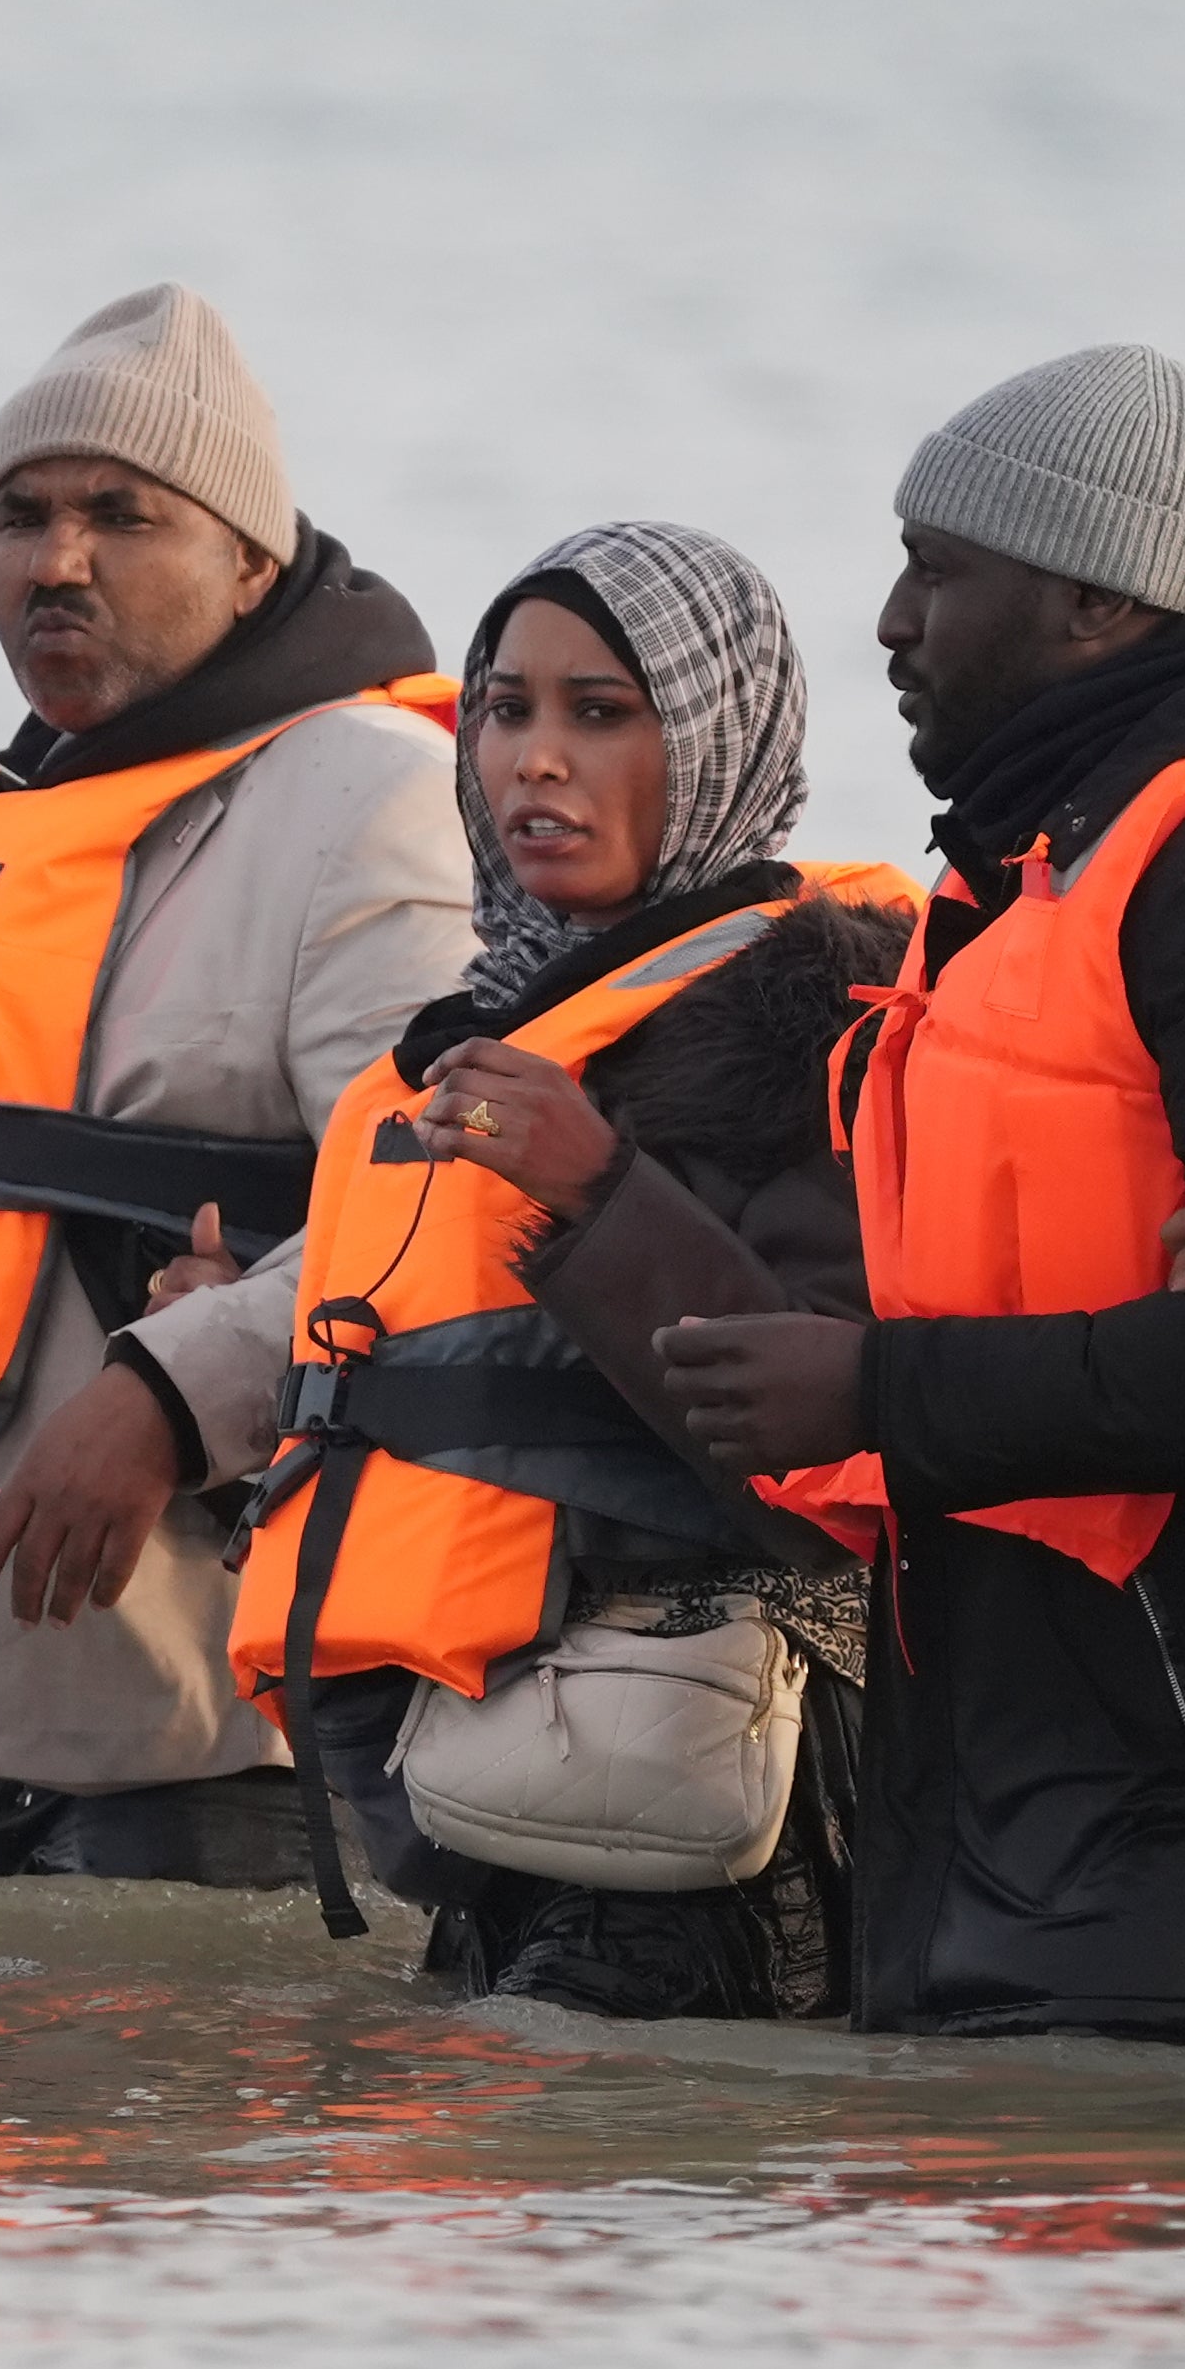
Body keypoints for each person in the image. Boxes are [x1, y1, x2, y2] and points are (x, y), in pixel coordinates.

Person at [652, 344, 1185, 2060]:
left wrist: (874, 1388)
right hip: (1024, 1749)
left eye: (938, 571)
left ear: (1096, 605)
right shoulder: (1038, 863)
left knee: (1150, 2286)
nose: (887, 619)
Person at [0, 285, 470, 1883]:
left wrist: (168, 1394)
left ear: (253, 557)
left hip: (212, 1726)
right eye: (20, 515)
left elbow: (443, 1228)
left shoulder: (374, 807)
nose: (57, 559)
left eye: (123, 516)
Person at [196, 522, 911, 2014]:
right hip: (487, 1801)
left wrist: (599, 1184)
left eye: (602, 711)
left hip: (718, 1818)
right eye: (506, 708)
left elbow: (838, 1441)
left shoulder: (816, 1014)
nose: (534, 759)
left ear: (717, 735)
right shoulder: (480, 1037)